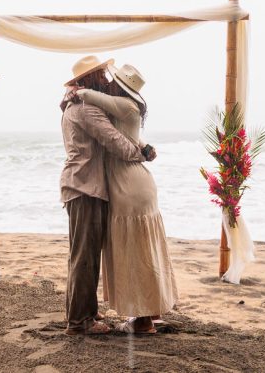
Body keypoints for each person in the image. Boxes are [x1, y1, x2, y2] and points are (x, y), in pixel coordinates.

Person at [73, 63, 178, 335]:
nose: (106, 80)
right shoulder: (126, 107)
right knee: (145, 249)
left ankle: (142, 321)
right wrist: (144, 147)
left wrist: (76, 92)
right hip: (137, 184)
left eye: (111, 78)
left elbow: (89, 96)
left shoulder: (122, 104)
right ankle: (149, 312)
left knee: (134, 251)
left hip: (127, 185)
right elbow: (131, 135)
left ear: (118, 85)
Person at [59, 55, 154, 336]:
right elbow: (116, 142)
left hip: (82, 185)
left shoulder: (76, 105)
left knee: (83, 253)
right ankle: (79, 322)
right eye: (100, 75)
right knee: (85, 255)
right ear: (87, 80)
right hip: (85, 187)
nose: (106, 80)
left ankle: (84, 310)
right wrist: (143, 154)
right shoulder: (87, 110)